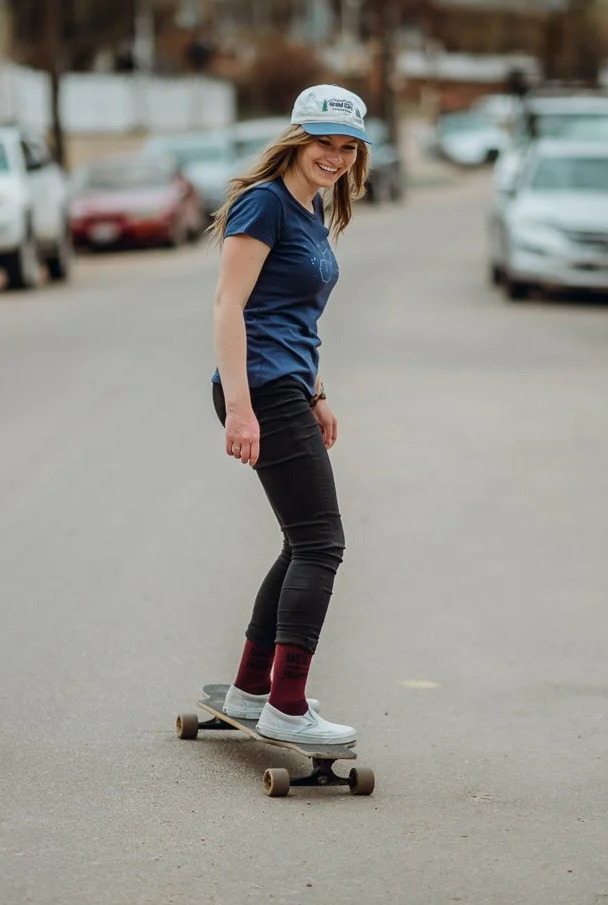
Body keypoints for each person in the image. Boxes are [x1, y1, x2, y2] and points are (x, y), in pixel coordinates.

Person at [208, 84, 371, 745]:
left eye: (346, 147)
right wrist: (241, 410)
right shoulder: (265, 202)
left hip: (286, 386)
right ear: (296, 137)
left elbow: (293, 316)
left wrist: (319, 390)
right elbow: (230, 306)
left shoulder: (310, 208)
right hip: (261, 390)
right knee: (322, 544)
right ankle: (287, 703)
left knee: (301, 540)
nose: (333, 157)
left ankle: (252, 690)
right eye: (323, 143)